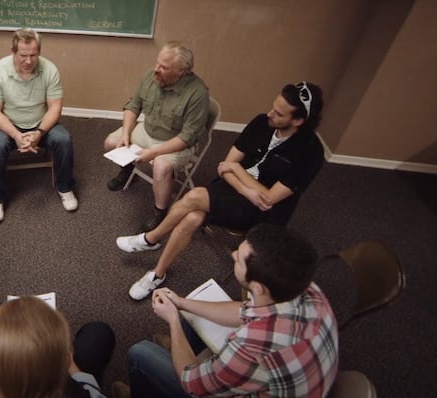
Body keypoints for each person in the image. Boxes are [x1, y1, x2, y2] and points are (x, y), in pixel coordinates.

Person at [116, 82, 325, 300]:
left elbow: (269, 198)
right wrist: (244, 186)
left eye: (279, 113)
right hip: (236, 188)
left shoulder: (311, 152)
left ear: (298, 121)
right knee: (192, 217)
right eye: (273, 107)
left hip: (262, 212)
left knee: (194, 196)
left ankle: (150, 239)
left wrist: (237, 170)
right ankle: (157, 274)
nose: (270, 114)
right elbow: (224, 166)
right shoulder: (261, 123)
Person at [114, 224, 338, 397]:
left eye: (239, 259)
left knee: (140, 353)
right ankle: (177, 349)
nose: (233, 255)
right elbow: (244, 311)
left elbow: (193, 385)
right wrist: (181, 303)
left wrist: (173, 320)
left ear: (258, 287)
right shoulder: (304, 289)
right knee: (190, 316)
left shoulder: (251, 346)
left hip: (222, 385)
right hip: (298, 379)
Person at [104, 42, 209, 232]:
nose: (156, 69)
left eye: (164, 67)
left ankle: (159, 211)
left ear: (181, 71)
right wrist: (126, 133)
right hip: (148, 130)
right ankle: (127, 169)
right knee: (111, 142)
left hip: (175, 142)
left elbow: (187, 137)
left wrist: (153, 153)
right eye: (157, 63)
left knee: (160, 167)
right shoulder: (150, 76)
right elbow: (133, 105)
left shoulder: (198, 94)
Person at [0, 28, 77, 223]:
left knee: (64, 140)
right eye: (23, 55)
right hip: (9, 124)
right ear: (13, 51)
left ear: (39, 52)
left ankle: (65, 187)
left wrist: (40, 132)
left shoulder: (49, 69)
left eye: (33, 55)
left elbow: (55, 108)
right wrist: (16, 135)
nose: (28, 61)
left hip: (41, 123)